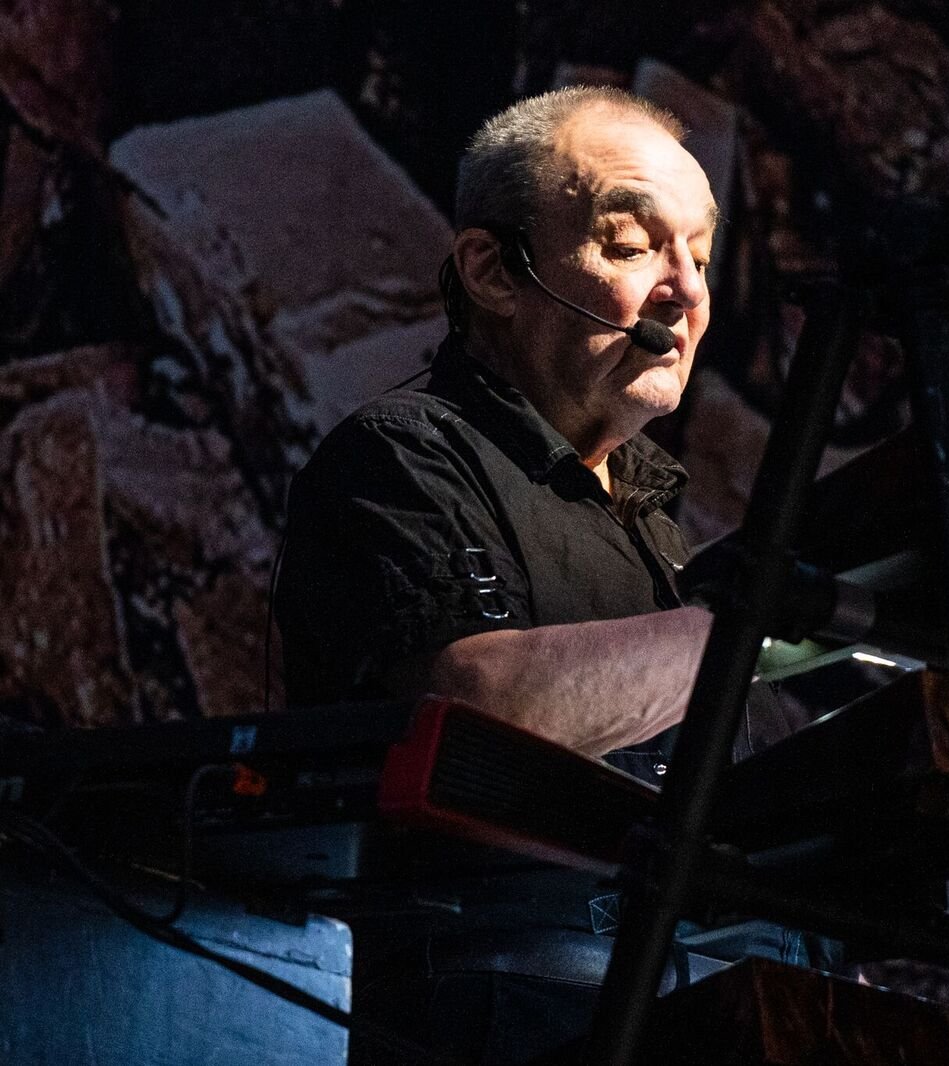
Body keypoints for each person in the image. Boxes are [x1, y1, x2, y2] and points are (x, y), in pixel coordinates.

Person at [275, 87, 816, 1061]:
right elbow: (474, 711)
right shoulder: (400, 453)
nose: (686, 291)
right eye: (632, 242)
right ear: (492, 270)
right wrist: (747, 628)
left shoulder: (662, 529)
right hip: (495, 1022)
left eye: (698, 254)